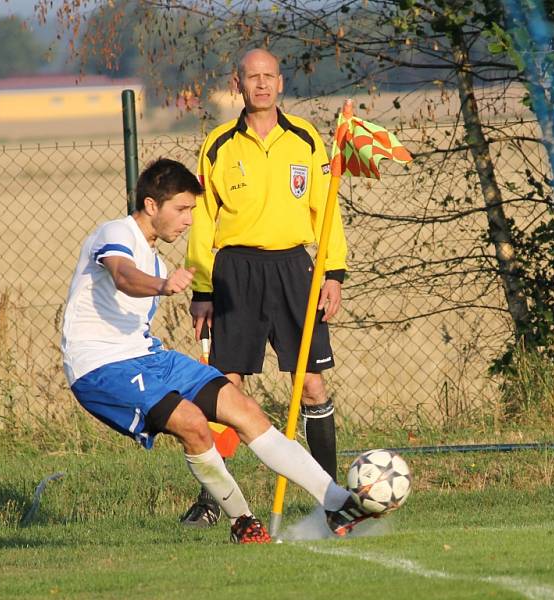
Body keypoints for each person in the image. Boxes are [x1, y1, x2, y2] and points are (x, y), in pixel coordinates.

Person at [60, 158, 370, 542]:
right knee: (192, 424)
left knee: (243, 409)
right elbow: (123, 276)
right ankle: (242, 521)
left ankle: (339, 503)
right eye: (182, 209)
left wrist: (164, 282)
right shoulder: (116, 233)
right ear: (152, 205)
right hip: (101, 367)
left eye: (192, 209)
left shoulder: (155, 256)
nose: (189, 219)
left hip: (147, 356)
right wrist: (161, 286)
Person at [181, 48, 348, 527]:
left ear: (281, 82)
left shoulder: (306, 140)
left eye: (268, 76)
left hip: (295, 271)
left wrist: (332, 272)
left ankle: (331, 500)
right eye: (251, 77)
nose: (260, 84)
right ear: (238, 83)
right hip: (236, 273)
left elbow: (326, 209)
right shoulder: (218, 145)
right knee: (225, 390)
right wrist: (203, 289)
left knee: (312, 385)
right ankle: (214, 502)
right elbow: (203, 222)